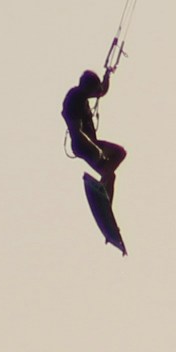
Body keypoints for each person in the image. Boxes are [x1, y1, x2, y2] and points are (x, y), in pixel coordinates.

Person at [62, 67, 127, 253]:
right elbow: (77, 132)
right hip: (83, 146)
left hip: (92, 144)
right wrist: (95, 149)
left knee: (111, 175)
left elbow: (102, 92)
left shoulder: (84, 94)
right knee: (120, 154)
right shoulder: (74, 100)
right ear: (87, 88)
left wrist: (108, 75)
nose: (96, 94)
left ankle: (106, 210)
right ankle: (102, 187)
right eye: (94, 90)